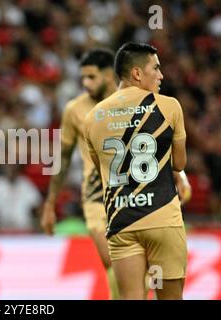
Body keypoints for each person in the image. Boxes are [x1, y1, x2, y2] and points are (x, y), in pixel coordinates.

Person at [84, 42, 189, 300]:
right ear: (137, 74)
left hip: (122, 222)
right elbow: (179, 164)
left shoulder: (93, 117)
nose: (161, 75)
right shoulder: (169, 106)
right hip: (162, 218)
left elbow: (103, 171)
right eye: (156, 68)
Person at [41, 48, 121, 299]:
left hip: (135, 194)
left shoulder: (134, 102)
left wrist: (177, 174)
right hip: (97, 196)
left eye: (91, 77)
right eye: (83, 77)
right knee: (113, 262)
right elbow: (63, 159)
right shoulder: (74, 109)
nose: (85, 83)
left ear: (110, 75)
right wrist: (50, 203)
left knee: (135, 266)